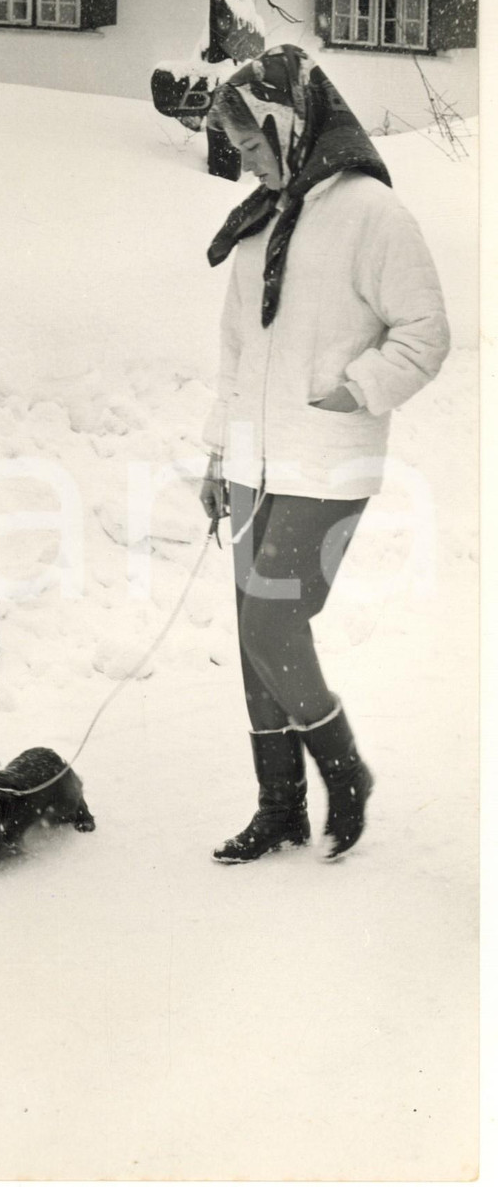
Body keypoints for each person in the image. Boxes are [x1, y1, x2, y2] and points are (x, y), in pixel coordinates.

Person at [199, 44, 450, 863]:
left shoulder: (371, 213)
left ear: (290, 124)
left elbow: (425, 333)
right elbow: (236, 352)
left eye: (251, 147)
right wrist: (216, 455)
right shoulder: (256, 228)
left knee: (274, 621)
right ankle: (279, 808)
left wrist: (357, 388)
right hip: (252, 461)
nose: (245, 166)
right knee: (249, 632)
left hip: (329, 458)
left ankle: (345, 775)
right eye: (235, 154)